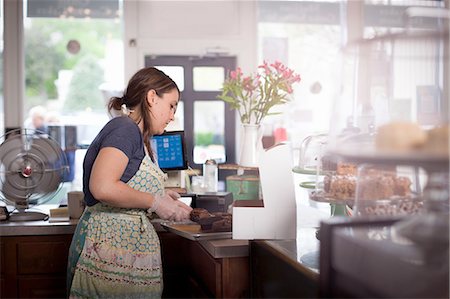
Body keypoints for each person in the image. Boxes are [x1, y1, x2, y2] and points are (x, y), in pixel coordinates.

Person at [67, 67, 193, 298]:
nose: (173, 115)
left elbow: (126, 188)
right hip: (105, 252)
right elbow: (103, 187)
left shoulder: (138, 135)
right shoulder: (124, 129)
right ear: (152, 97)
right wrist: (156, 202)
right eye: (172, 105)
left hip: (123, 257)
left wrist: (162, 199)